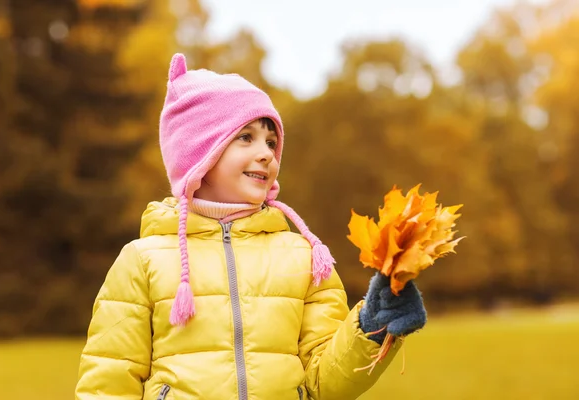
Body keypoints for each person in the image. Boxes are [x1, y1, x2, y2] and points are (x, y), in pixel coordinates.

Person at [75, 53, 427, 400]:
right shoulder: (143, 260)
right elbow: (107, 383)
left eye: (271, 142)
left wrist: (371, 328)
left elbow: (324, 383)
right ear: (201, 152)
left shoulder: (302, 256)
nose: (267, 154)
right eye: (246, 137)